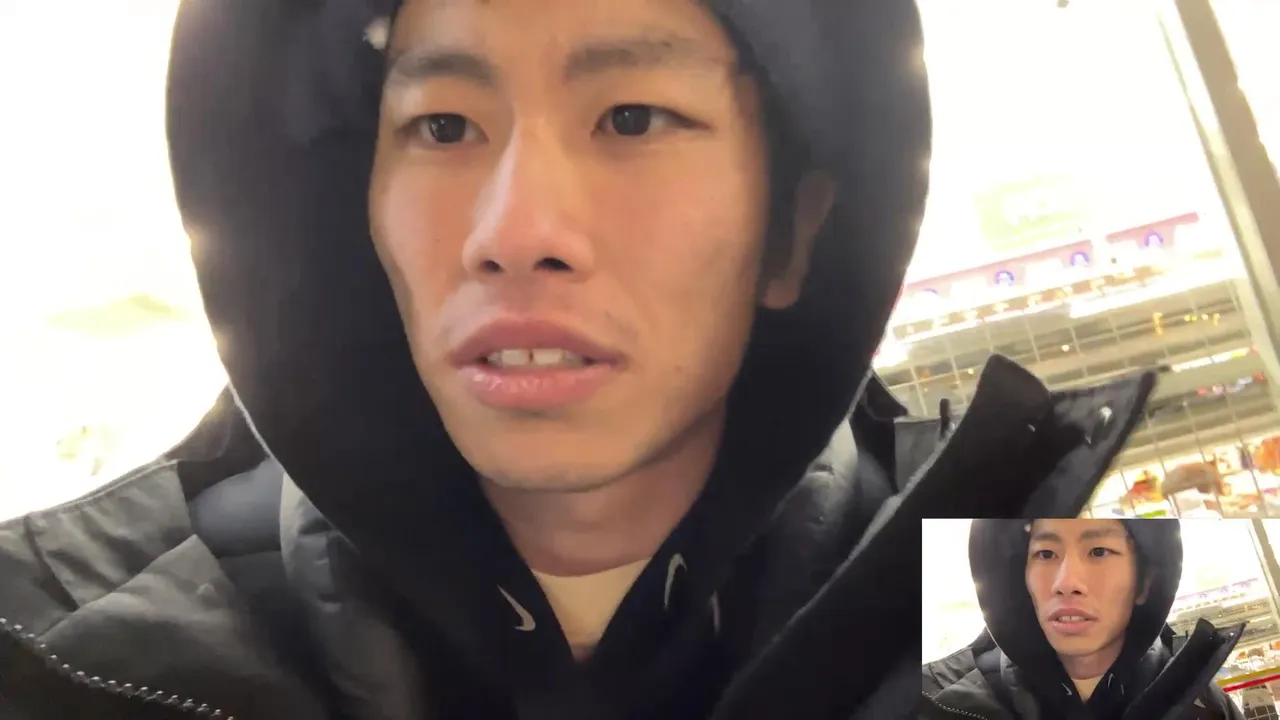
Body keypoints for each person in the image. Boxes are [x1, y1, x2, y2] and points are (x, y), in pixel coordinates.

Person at [0, 1, 1159, 718]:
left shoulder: (1040, 670)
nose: (515, 231)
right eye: (443, 127)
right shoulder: (59, 657)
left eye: (632, 118)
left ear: (794, 233)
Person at [921, 519, 1245, 719]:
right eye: (1045, 554)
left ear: (1145, 582)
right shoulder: (940, 705)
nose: (1066, 582)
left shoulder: (1205, 706)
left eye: (1099, 551)